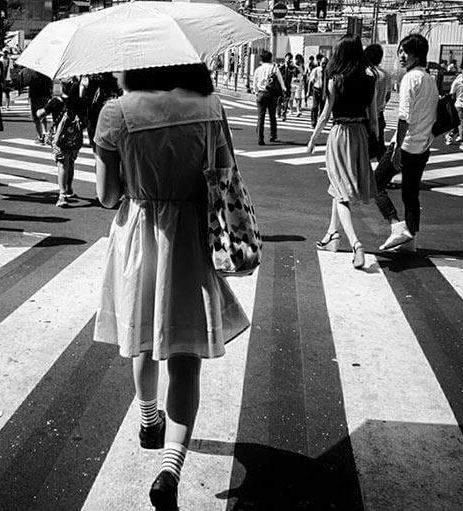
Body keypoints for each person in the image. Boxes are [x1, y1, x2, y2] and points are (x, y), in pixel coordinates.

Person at [93, 63, 250, 511]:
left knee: (143, 340)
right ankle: (170, 469)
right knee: (185, 359)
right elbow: (225, 175)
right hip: (191, 238)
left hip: (140, 234)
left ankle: (148, 421)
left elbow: (106, 196)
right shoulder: (208, 107)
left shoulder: (115, 113)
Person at [306, 35, 377, 270]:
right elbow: (374, 118)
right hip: (360, 135)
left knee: (340, 191)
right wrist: (376, 142)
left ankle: (356, 244)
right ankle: (331, 235)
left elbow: (325, 115)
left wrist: (313, 139)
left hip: (340, 134)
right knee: (338, 188)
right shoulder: (370, 80)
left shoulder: (335, 80)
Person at [374, 33, 438, 254]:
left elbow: (404, 117)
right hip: (422, 147)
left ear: (417, 55)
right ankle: (411, 241)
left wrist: (397, 149)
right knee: (410, 194)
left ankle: (396, 225)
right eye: (401, 51)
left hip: (405, 145)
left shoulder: (410, 78)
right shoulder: (430, 79)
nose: (401, 56)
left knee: (376, 184)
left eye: (406, 52)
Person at [37, 79, 84, 207]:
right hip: (74, 138)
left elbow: (40, 113)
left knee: (62, 164)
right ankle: (69, 188)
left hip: (61, 138)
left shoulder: (55, 102)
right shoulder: (77, 101)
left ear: (62, 86)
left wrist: (40, 109)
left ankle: (62, 194)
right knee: (71, 162)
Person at [252, 50, 285, 146]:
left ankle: (260, 138)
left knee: (260, 117)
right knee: (272, 116)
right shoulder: (274, 68)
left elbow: (254, 84)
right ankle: (273, 135)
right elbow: (281, 81)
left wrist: (257, 93)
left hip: (261, 94)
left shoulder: (258, 70)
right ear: (270, 58)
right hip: (271, 94)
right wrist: (283, 90)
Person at [364, 44, 391, 159]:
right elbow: (388, 95)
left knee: (364, 150)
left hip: (366, 117)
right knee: (379, 147)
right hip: (379, 115)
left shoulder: (366, 73)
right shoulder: (386, 74)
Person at [20, 67, 52, 144]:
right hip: (45, 93)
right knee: (43, 114)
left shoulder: (31, 71)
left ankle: (41, 136)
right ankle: (45, 133)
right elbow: (50, 81)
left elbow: (24, 81)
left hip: (35, 94)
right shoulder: (46, 69)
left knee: (35, 116)